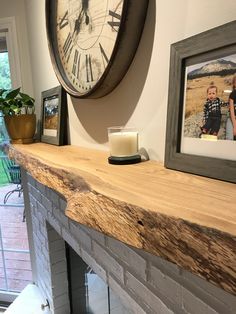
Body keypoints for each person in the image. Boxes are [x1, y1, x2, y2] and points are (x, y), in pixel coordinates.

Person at [225, 75, 236, 140]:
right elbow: (231, 111)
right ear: (234, 84)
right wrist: (235, 126)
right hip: (232, 118)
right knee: (229, 137)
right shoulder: (233, 94)